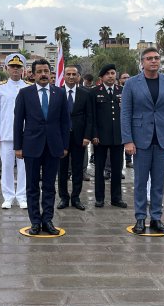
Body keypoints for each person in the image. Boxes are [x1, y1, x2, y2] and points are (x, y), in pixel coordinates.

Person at [121, 48, 164, 233]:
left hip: (162, 137)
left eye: (156, 58)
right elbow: (125, 113)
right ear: (142, 62)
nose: (154, 61)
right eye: (149, 58)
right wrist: (127, 140)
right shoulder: (131, 83)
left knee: (158, 182)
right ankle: (140, 218)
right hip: (140, 139)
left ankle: (156, 218)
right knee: (140, 181)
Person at [13, 59, 70, 235]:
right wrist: (18, 146)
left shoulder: (60, 93)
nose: (43, 74)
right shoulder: (25, 93)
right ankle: (35, 222)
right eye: (39, 71)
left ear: (51, 73)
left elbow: (65, 122)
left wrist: (64, 145)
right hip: (31, 146)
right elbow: (18, 121)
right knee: (32, 186)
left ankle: (48, 220)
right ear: (33, 74)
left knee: (49, 186)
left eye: (46, 71)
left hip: (53, 146)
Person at [0, 54, 30, 209]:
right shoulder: (0, 88)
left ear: (23, 69)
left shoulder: (29, 87)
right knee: (6, 167)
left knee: (23, 168)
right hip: (6, 133)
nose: (15, 69)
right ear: (7, 68)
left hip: (25, 133)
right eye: (12, 66)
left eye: (18, 67)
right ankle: (7, 196)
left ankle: (22, 196)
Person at [90, 63, 126, 208]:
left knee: (117, 169)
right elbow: (92, 116)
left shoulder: (122, 91)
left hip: (118, 136)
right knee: (99, 169)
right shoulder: (94, 92)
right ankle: (99, 198)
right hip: (100, 137)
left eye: (113, 73)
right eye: (107, 74)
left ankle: (116, 198)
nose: (111, 76)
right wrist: (94, 134)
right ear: (102, 77)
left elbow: (126, 114)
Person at [57, 65, 93, 211]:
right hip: (62, 137)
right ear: (64, 76)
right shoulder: (57, 92)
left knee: (78, 169)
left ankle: (76, 197)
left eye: (74, 74)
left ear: (78, 76)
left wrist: (87, 136)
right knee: (62, 169)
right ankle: (63, 198)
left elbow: (90, 117)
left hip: (79, 137)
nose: (71, 77)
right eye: (68, 74)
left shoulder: (85, 93)